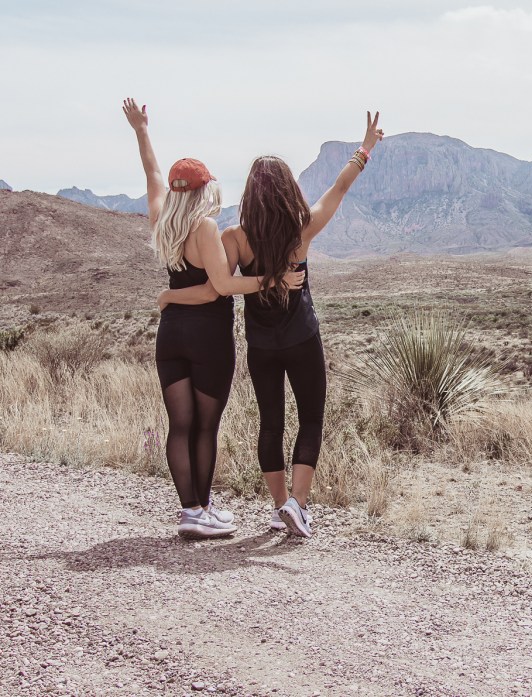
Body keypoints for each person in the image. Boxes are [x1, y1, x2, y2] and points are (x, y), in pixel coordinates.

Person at [164, 111, 384, 537]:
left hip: (261, 345)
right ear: (287, 191)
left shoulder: (235, 238)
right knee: (311, 419)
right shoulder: (302, 230)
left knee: (271, 423)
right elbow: (339, 188)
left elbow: (218, 286)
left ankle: (279, 504)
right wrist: (365, 149)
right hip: (302, 337)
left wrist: (172, 295)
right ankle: (297, 506)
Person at [124, 98, 305, 539]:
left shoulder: (162, 219)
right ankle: (199, 511)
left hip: (170, 336)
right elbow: (219, 287)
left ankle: (191, 510)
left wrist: (142, 132)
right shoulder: (204, 228)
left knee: (178, 425)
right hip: (207, 337)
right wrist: (272, 279)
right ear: (204, 191)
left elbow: (151, 174)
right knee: (205, 425)